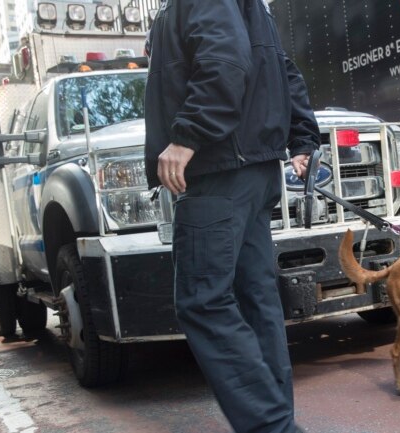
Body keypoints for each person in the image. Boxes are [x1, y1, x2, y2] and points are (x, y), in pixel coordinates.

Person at [144, 1, 320, 432]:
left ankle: (274, 428)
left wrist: (188, 135)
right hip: (252, 170)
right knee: (255, 300)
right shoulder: (250, 6)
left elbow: (224, 60)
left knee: (203, 300)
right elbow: (281, 69)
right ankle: (277, 419)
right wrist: (302, 134)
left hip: (219, 168)